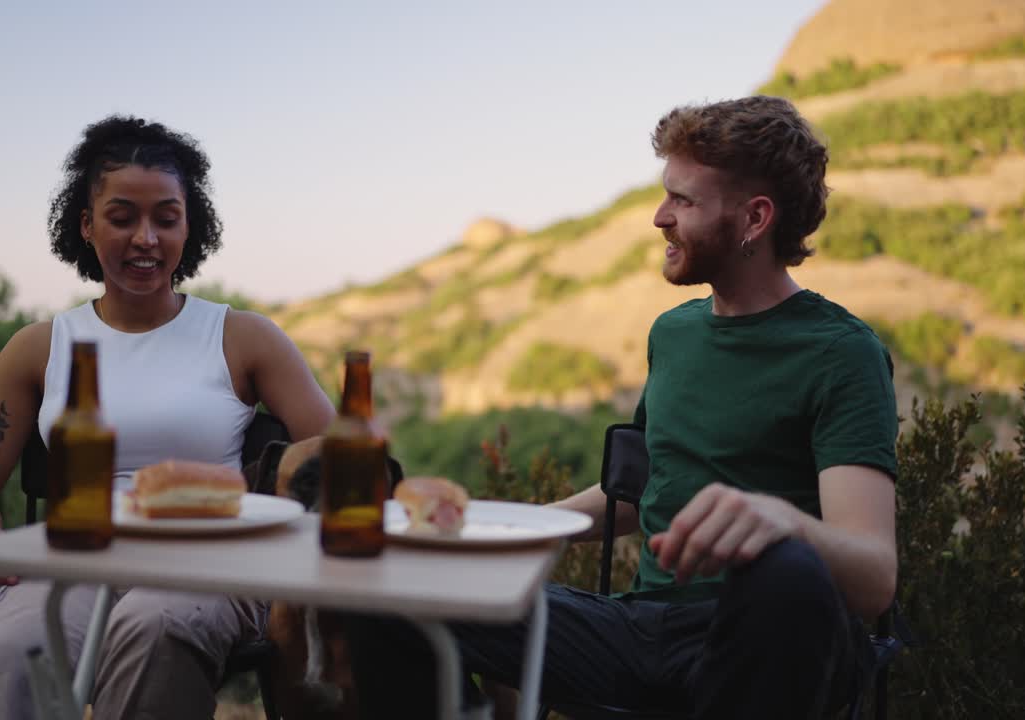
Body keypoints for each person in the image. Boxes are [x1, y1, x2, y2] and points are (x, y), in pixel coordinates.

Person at [348, 95, 899, 720]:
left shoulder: (841, 353)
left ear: (755, 219)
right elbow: (637, 496)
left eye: (684, 200)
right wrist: (502, 526)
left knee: (789, 576)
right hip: (640, 630)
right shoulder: (674, 333)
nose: (660, 218)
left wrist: (783, 523)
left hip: (764, 640)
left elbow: (876, 575)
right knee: (390, 589)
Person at [0, 115, 335, 720]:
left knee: (154, 625)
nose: (145, 238)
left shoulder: (241, 338)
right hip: (66, 569)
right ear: (87, 225)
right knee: (9, 648)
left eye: (166, 218)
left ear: (189, 225)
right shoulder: (39, 348)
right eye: (122, 218)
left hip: (204, 571)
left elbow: (337, 456)